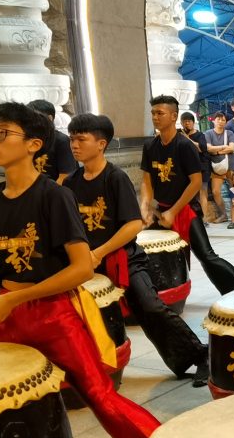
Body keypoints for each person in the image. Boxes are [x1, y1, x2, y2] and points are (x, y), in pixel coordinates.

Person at [0, 102, 159, 438]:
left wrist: (14, 300)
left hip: (52, 315)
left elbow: (80, 269)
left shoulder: (54, 196)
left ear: (34, 144)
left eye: (2, 133)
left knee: (100, 396)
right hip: (2, 312)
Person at [65, 113, 209, 386]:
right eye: (71, 139)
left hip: (123, 258)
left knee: (151, 309)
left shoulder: (114, 178)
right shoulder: (71, 183)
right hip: (87, 263)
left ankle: (201, 356)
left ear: (101, 144)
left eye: (81, 139)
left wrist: (99, 252)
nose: (74, 144)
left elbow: (132, 225)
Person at [140, 95, 234, 295]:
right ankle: (167, 296)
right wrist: (145, 207)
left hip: (186, 209)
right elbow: (146, 180)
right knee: (154, 255)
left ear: (173, 116)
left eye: (160, 113)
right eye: (153, 113)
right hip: (161, 210)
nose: (155, 117)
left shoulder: (184, 145)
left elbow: (196, 182)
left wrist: (173, 211)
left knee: (207, 256)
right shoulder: (150, 146)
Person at [27, 99, 76, 184]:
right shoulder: (28, 140)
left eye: (34, 118)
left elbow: (65, 177)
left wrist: (48, 194)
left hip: (56, 192)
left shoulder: (62, 141)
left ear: (49, 118)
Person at [180, 111, 213, 221]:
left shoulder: (200, 135)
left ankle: (204, 219)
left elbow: (201, 148)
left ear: (193, 123)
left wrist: (187, 138)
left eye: (189, 121)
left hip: (202, 167)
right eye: (184, 122)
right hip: (187, 169)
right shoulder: (180, 135)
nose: (187, 124)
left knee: (202, 192)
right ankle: (191, 217)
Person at [203, 111, 234, 223]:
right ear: (213, 121)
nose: (221, 122)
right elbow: (208, 148)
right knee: (216, 191)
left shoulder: (229, 133)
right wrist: (222, 147)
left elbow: (232, 148)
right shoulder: (208, 133)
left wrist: (216, 151)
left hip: (230, 164)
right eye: (218, 119)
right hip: (216, 166)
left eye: (223, 120)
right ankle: (224, 215)